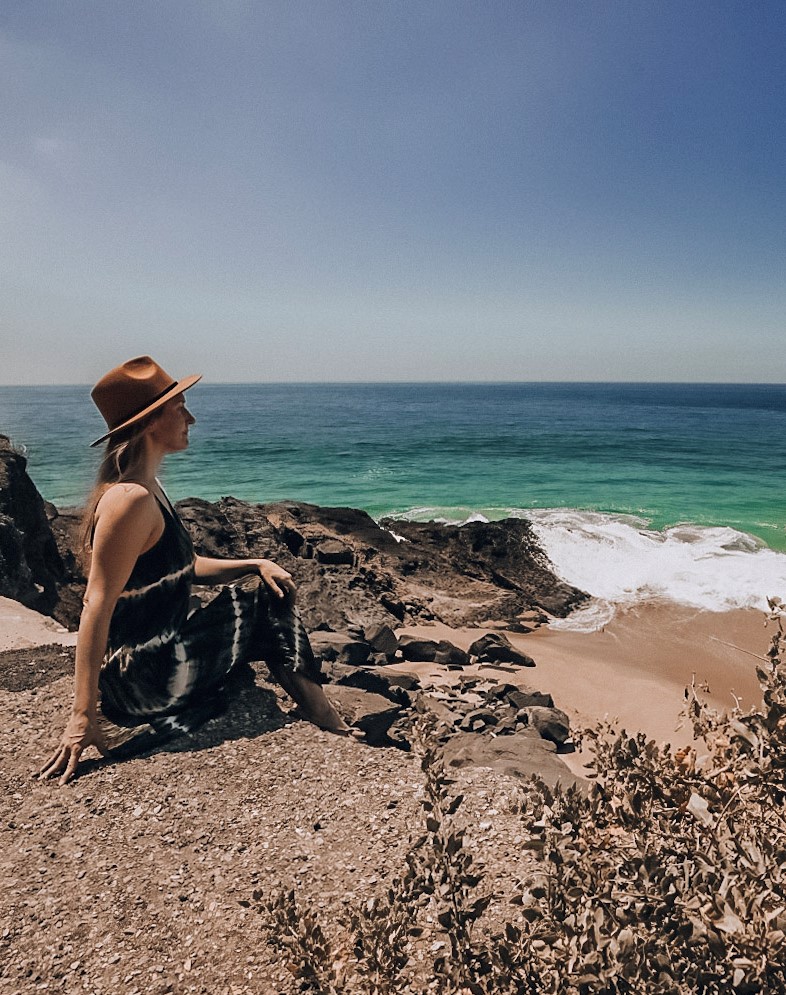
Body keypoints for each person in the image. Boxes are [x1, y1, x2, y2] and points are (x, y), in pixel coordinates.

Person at [40, 356, 353, 785]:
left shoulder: (149, 489)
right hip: (145, 678)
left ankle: (321, 712)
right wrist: (82, 716)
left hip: (151, 668)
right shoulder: (129, 499)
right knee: (263, 604)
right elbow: (96, 604)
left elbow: (181, 568)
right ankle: (327, 720)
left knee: (260, 588)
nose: (191, 417)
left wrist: (253, 562)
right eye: (180, 407)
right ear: (151, 421)